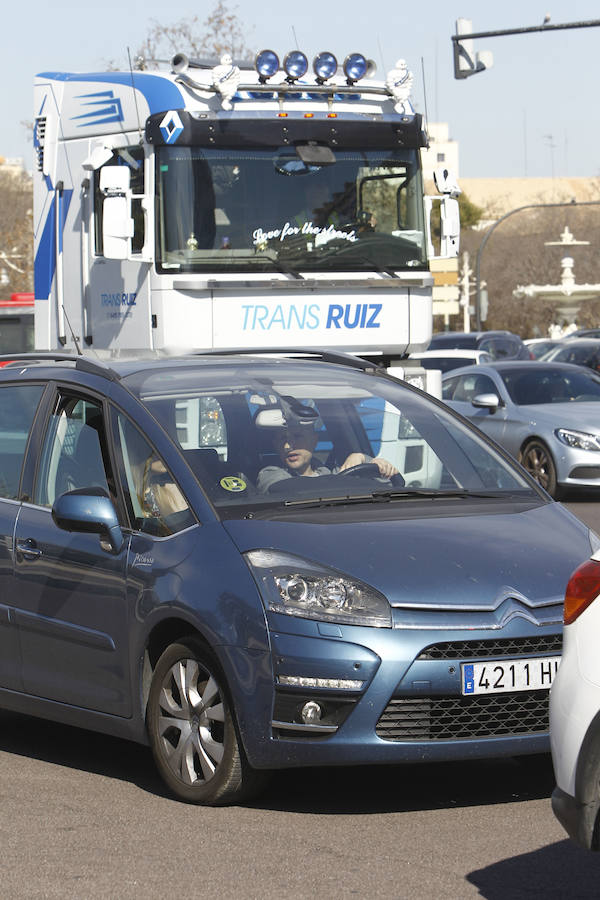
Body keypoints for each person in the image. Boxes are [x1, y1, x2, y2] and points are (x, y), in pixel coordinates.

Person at [257, 423, 398, 493]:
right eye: (282, 439)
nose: (288, 446)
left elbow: (390, 488)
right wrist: (348, 479)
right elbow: (289, 490)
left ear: (314, 440)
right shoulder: (270, 474)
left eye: (298, 437)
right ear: (275, 445)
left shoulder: (331, 473)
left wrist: (365, 460)